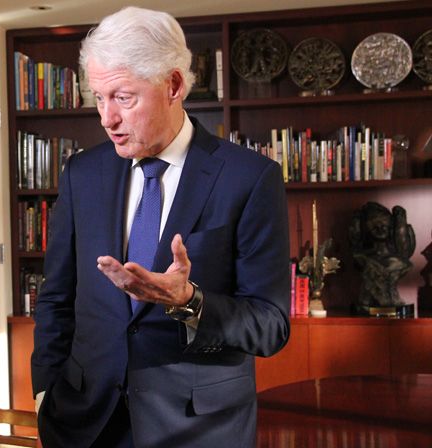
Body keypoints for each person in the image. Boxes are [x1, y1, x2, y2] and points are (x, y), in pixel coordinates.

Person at [31, 7, 290, 448]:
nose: (106, 118)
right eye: (98, 97)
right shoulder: (81, 173)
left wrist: (189, 301)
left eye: (123, 98)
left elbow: (270, 325)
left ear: (173, 85)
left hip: (198, 429)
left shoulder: (250, 178)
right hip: (83, 421)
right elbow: (57, 296)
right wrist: (44, 392)